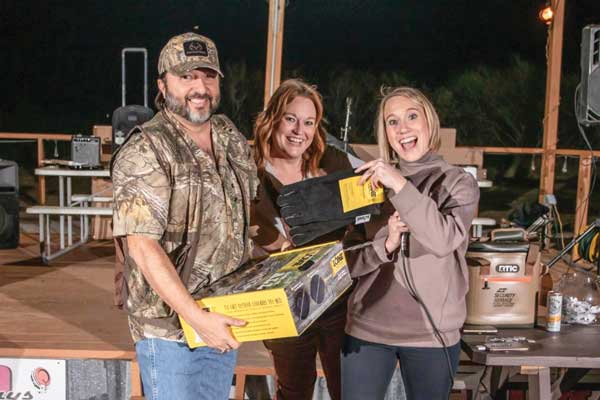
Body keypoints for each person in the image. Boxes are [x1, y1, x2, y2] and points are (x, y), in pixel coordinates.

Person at [111, 32, 258, 400]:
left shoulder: (228, 136)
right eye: (186, 76)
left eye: (208, 76)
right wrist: (197, 319)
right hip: (170, 331)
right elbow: (142, 247)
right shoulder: (147, 149)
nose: (200, 87)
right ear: (163, 86)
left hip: (221, 312)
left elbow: (247, 212)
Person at [341, 87, 480, 400]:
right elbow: (347, 261)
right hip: (368, 330)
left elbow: (443, 240)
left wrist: (399, 184)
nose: (402, 128)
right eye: (392, 121)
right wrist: (385, 245)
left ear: (429, 122)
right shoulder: (369, 185)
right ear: (386, 133)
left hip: (431, 336)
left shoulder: (458, 183)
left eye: (412, 116)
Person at [250, 79, 352, 400]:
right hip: (285, 301)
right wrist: (282, 246)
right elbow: (244, 225)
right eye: (291, 119)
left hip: (336, 296)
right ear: (273, 119)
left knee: (347, 388)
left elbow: (359, 217)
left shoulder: (333, 163)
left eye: (309, 122)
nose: (299, 131)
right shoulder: (250, 169)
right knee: (294, 390)